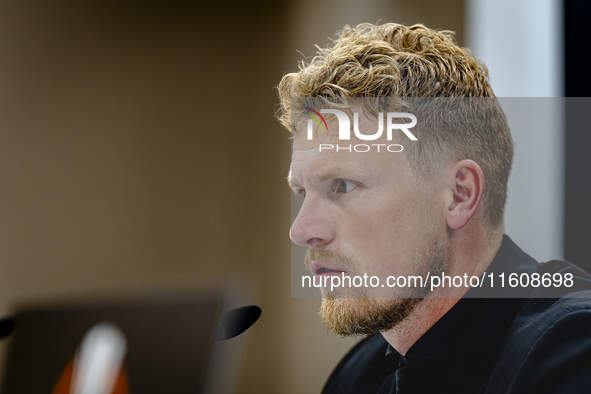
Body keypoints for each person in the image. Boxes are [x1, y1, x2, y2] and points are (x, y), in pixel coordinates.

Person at [276, 23, 591, 393]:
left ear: (459, 196)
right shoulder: (359, 375)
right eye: (302, 191)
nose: (301, 230)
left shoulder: (571, 351)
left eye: (342, 186)